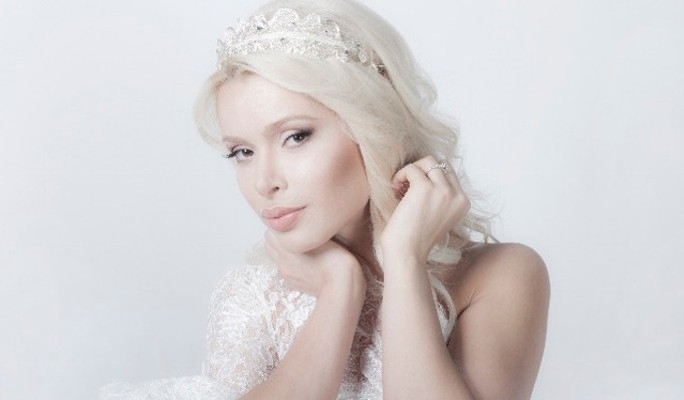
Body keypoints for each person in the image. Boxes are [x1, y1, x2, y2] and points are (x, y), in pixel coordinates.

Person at [101, 0, 550, 398]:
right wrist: (340, 289)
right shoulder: (254, 297)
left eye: (296, 136)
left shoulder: (499, 275)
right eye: (242, 152)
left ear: (372, 127)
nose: (264, 182)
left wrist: (404, 259)